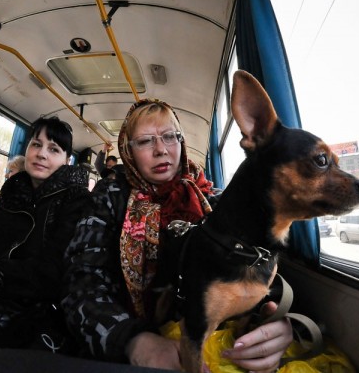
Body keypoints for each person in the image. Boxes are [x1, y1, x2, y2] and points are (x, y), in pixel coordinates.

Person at [62, 99, 293, 372]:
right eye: (145, 141)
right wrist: (132, 341)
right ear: (128, 150)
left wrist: (271, 318)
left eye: (170, 136)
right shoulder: (110, 197)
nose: (161, 150)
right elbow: (80, 284)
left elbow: (255, 269)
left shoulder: (215, 200)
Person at [0, 116, 91, 353]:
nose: (42, 154)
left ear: (67, 159)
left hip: (39, 317)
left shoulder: (76, 203)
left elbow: (51, 272)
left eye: (53, 149)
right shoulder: (10, 197)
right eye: (36, 144)